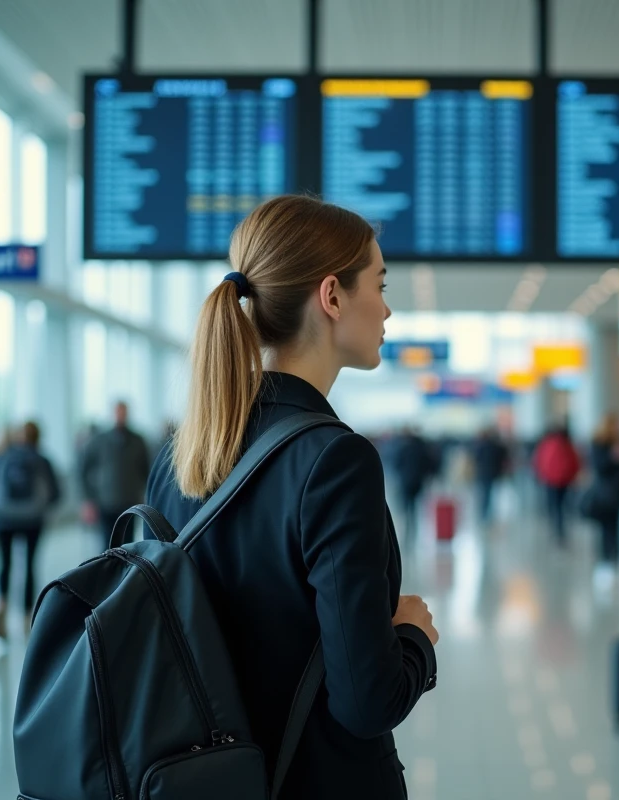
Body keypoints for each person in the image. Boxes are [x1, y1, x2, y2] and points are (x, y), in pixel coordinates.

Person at [145, 195, 437, 799]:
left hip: (200, 780)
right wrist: (413, 638)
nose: (386, 308)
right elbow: (366, 701)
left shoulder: (179, 459)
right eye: (379, 285)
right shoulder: (335, 461)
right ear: (332, 296)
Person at [0, 421, 60, 639]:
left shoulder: (3, 457)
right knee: (29, 565)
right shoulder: (42, 460)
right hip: (32, 519)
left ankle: (1, 602)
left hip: (4, 519)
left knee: (4, 563)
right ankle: (27, 615)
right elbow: (55, 493)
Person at [80, 401, 151, 545]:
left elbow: (146, 470)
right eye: (118, 412)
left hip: (129, 500)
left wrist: (146, 494)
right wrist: (88, 499)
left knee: (128, 543)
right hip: (106, 501)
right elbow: (83, 469)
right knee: (108, 543)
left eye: (123, 412)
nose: (121, 415)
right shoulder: (99, 440)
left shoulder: (137, 441)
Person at [587, 414, 619, 588]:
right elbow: (598, 467)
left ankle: (615, 561)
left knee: (616, 529)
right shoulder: (599, 444)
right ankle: (605, 563)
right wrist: (613, 457)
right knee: (605, 530)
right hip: (604, 495)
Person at [533, 423, 582, 547]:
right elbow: (575, 462)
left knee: (554, 506)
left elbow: (540, 461)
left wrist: (541, 475)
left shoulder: (547, 444)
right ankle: (560, 531)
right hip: (565, 480)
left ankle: (556, 529)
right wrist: (573, 476)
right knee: (561, 506)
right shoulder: (567, 445)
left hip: (550, 481)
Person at [392, 427, 434, 539]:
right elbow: (428, 464)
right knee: (414, 505)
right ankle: (413, 525)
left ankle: (407, 526)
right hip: (417, 481)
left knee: (406, 505)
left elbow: (397, 464)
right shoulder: (421, 448)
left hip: (405, 481)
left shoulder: (403, 447)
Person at [472, 427, 508, 526]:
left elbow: (476, 458)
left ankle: (484, 514)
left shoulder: (481, 446)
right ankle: (487, 514)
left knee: (484, 494)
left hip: (483, 473)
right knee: (489, 494)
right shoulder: (496, 446)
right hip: (493, 473)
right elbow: (503, 456)